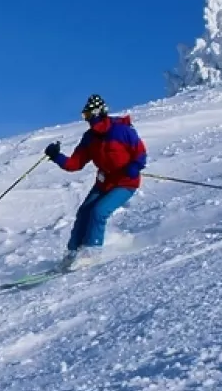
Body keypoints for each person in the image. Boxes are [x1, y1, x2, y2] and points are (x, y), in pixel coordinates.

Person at [44, 94, 147, 269]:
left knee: (99, 212)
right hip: (104, 183)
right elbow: (74, 164)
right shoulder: (90, 138)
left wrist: (134, 166)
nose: (86, 119)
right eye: (84, 116)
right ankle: (72, 253)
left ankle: (92, 252)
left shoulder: (122, 131)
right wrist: (56, 156)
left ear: (98, 113)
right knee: (84, 212)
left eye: (88, 115)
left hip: (125, 183)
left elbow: (140, 154)